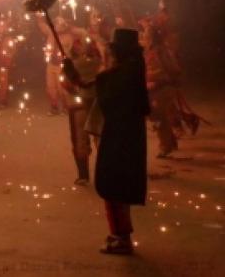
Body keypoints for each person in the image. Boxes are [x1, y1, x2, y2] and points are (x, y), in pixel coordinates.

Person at [63, 28, 149, 255]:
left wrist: (75, 77)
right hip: (125, 134)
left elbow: (97, 86)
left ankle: (122, 238)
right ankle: (119, 234)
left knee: (114, 186)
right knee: (117, 186)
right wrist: (76, 76)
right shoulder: (132, 67)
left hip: (121, 137)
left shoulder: (127, 72)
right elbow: (98, 84)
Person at [63, 36, 102, 185]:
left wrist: (69, 72)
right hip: (88, 104)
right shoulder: (100, 62)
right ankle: (85, 174)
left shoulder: (77, 64)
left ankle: (84, 175)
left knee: (87, 139)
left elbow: (66, 83)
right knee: (90, 139)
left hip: (87, 104)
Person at [38, 15, 81, 115]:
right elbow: (42, 26)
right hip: (50, 65)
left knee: (62, 89)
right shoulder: (51, 33)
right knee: (50, 87)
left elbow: (79, 35)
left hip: (61, 66)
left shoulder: (69, 36)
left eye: (59, 24)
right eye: (56, 23)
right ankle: (54, 107)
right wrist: (39, 16)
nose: (57, 26)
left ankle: (66, 107)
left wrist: (70, 28)